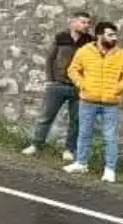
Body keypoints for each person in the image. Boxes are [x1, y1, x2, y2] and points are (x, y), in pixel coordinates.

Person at [63, 21, 123, 183]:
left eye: (115, 35)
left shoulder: (121, 54)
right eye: (110, 35)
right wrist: (83, 85)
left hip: (111, 103)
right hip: (88, 100)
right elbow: (73, 70)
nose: (114, 38)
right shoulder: (85, 51)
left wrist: (117, 90)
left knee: (110, 137)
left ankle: (110, 170)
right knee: (84, 133)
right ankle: (81, 163)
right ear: (99, 36)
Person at [22, 10, 94, 161]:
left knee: (76, 121)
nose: (86, 25)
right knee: (46, 116)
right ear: (73, 22)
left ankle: (69, 150)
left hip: (78, 87)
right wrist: (50, 79)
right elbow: (50, 59)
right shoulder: (61, 38)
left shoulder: (90, 42)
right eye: (82, 22)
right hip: (57, 84)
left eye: (88, 23)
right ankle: (36, 145)